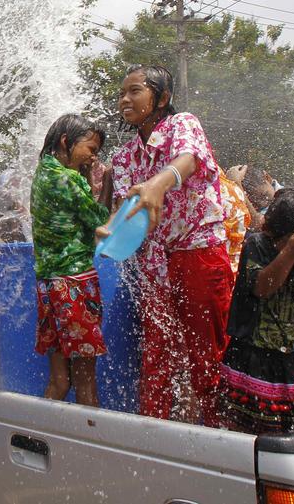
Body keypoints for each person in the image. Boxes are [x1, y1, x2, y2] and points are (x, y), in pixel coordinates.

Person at [105, 65, 232, 425]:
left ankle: (217, 435)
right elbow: (126, 213)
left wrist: (157, 184)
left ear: (161, 98)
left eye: (135, 91)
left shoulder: (183, 125)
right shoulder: (125, 156)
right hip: (155, 265)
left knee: (206, 354)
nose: (125, 99)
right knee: (158, 356)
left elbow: (189, 159)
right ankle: (154, 433)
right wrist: (111, 230)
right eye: (122, 93)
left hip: (198, 254)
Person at [218, 189, 294, 434]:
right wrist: (289, 253)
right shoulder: (257, 245)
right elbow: (262, 288)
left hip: (284, 357)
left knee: (290, 427)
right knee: (244, 430)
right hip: (250, 357)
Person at [31, 114, 109, 406]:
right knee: (86, 383)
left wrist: (87, 173)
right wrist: (109, 178)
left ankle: (38, 441)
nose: (93, 155)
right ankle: (93, 448)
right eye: (90, 148)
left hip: (50, 286)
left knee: (61, 381)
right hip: (75, 286)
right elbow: (98, 217)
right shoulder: (66, 178)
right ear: (66, 141)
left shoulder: (44, 173)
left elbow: (80, 206)